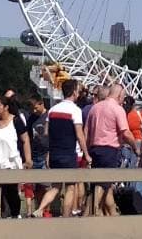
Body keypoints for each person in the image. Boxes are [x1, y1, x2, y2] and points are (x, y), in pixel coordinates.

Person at [33, 79, 91, 218]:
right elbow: (79, 135)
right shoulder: (75, 111)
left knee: (56, 186)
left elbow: (46, 133)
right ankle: (66, 217)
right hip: (68, 154)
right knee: (70, 187)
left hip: (54, 154)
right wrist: (87, 154)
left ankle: (39, 209)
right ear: (74, 92)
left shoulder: (52, 110)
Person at [86, 82, 137, 216]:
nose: (123, 100)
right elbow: (126, 133)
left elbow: (87, 132)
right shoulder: (117, 109)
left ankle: (112, 214)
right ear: (119, 95)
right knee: (103, 183)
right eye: (123, 96)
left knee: (106, 185)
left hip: (94, 149)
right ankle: (93, 210)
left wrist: (87, 152)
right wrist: (135, 147)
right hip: (109, 150)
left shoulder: (95, 108)